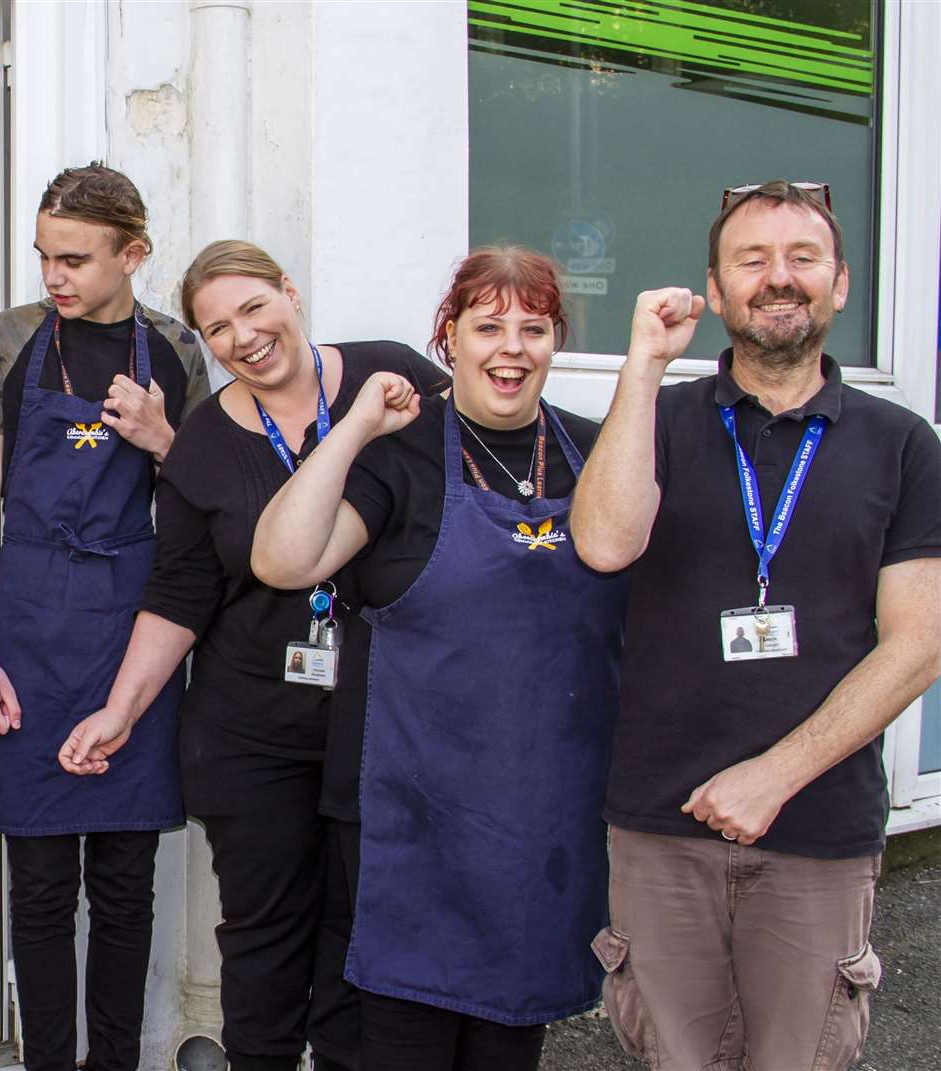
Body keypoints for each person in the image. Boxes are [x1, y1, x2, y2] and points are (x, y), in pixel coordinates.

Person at [570, 181, 941, 1070]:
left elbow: (919, 641)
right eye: (753, 260)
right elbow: (605, 543)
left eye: (803, 258)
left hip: (819, 829)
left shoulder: (902, 442)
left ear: (841, 284)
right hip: (662, 823)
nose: (781, 278)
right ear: (717, 285)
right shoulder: (653, 415)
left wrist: (774, 775)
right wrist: (644, 364)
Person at [59, 240, 449, 1071]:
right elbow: (179, 592)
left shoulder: (394, 379)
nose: (242, 336)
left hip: (386, 723)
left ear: (292, 294)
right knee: (265, 945)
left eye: (254, 308)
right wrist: (120, 708)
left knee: (362, 938)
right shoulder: (202, 440)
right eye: (216, 327)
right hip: (251, 734)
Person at [250, 248, 622, 1071]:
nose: (512, 347)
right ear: (448, 338)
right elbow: (281, 560)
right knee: (404, 1043)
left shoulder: (597, 453)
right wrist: (353, 428)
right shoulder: (400, 452)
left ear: (558, 339)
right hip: (410, 815)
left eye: (534, 327)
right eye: (488, 326)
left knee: (508, 1041)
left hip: (542, 816)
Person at [0, 164, 208, 1071]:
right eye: (44, 257)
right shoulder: (9, 339)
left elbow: (202, 501)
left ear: (132, 254)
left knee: (127, 880)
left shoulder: (177, 350)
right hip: (23, 627)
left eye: (75, 259)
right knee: (43, 880)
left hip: (131, 628)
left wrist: (162, 438)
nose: (54, 277)